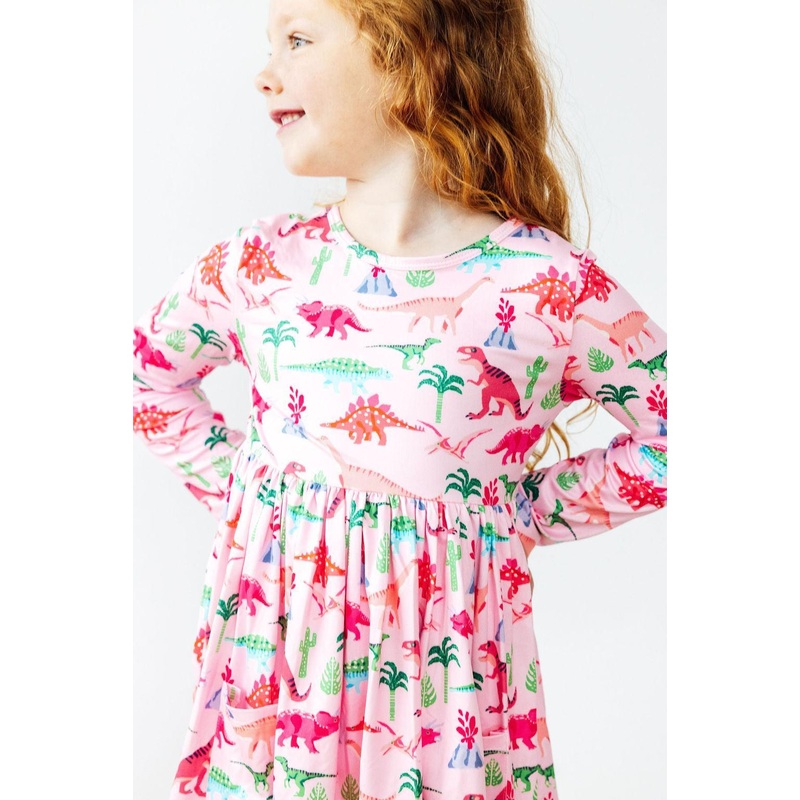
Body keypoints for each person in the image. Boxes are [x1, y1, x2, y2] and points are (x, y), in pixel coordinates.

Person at [132, 0, 667, 797]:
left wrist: (517, 513)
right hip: (279, 685)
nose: (265, 73)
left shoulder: (547, 285)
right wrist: (257, 501)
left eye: (297, 39)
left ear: (411, 52)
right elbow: (150, 376)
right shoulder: (261, 265)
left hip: (443, 695)